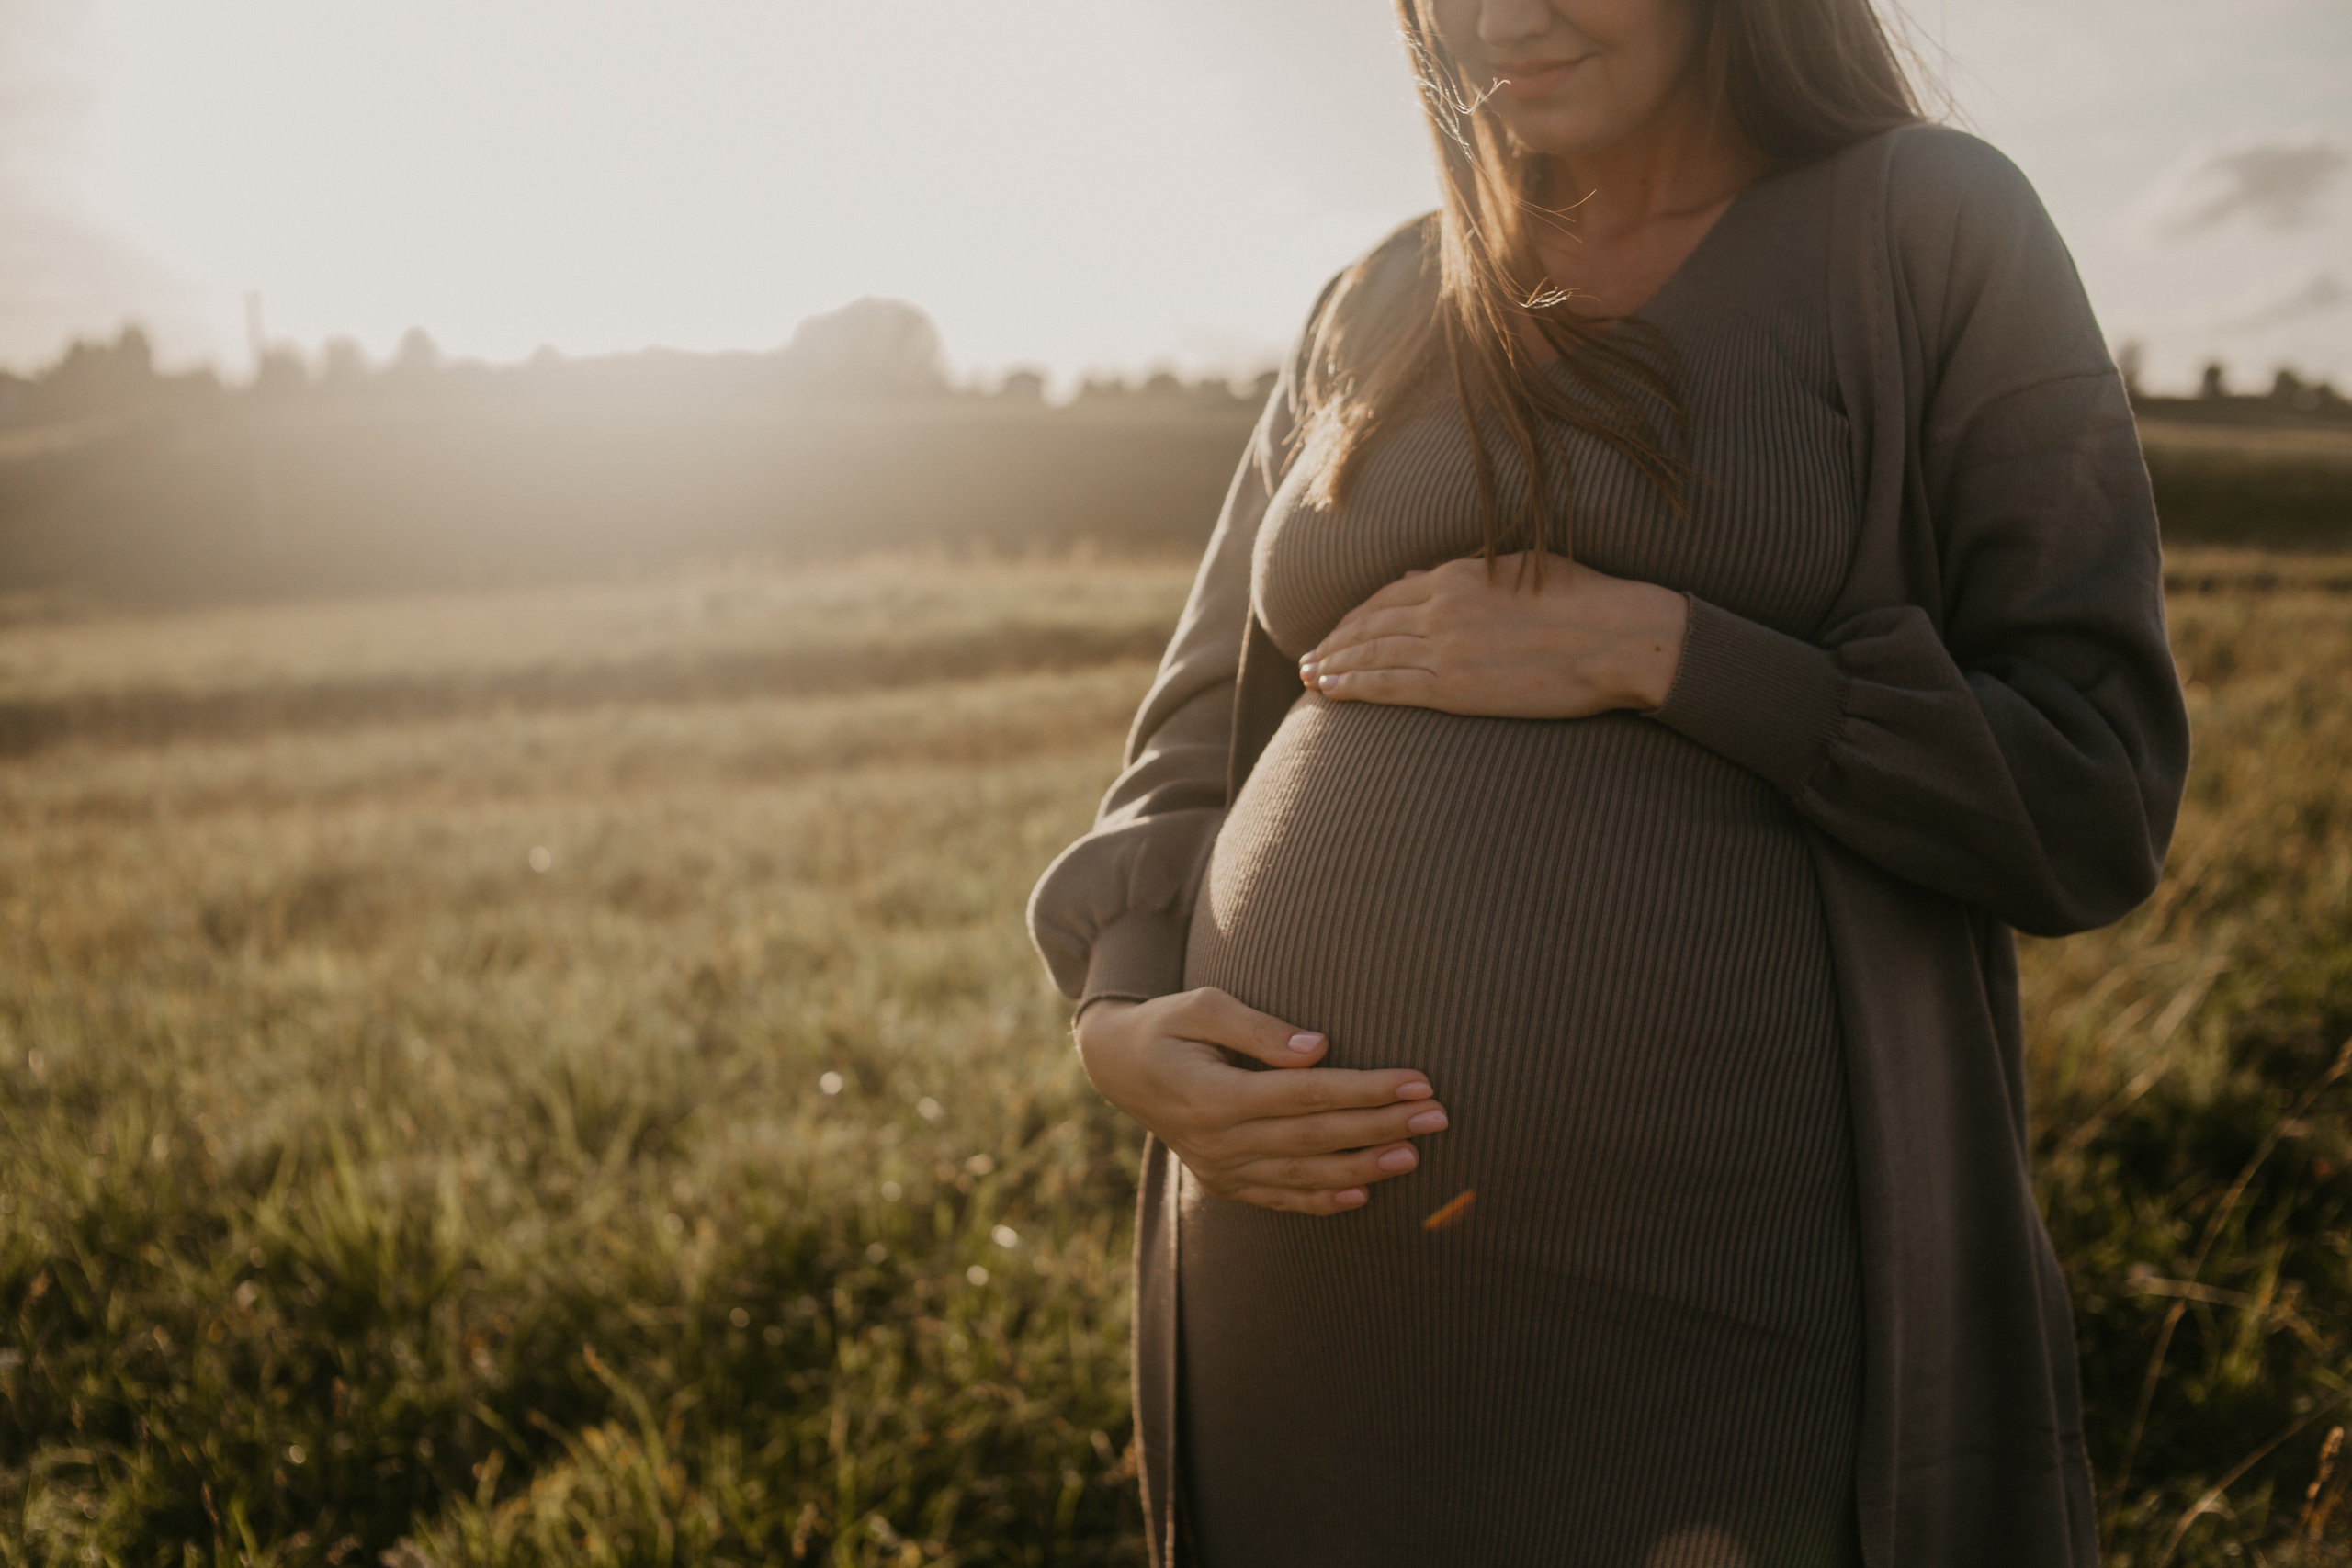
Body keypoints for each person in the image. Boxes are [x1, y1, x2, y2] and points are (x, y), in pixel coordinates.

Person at [1027, 1, 2190, 1563]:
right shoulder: (1373, 300)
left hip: (1729, 1304)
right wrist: (1118, 1025)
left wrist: (1667, 649)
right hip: (1296, 1297)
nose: (1507, 16)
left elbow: (2091, 786)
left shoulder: (1925, 223)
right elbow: (1185, 753)